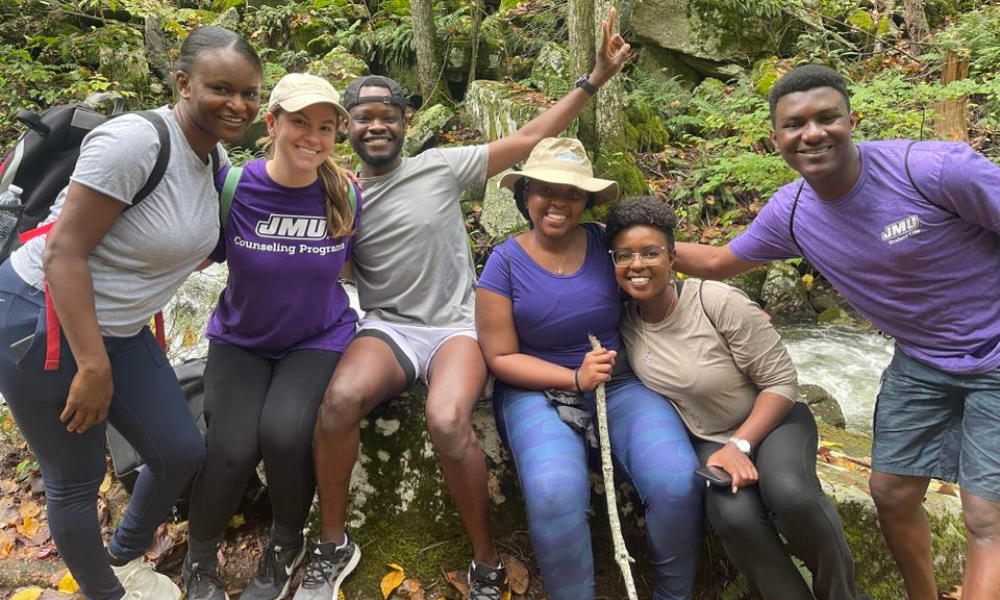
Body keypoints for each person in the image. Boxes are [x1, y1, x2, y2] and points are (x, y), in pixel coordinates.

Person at [294, 9, 631, 600]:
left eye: (388, 117)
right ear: (345, 127)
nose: (377, 127)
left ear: (405, 123)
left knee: (449, 420)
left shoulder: (441, 168)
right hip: (389, 327)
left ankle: (486, 561)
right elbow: (313, 253)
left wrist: (594, 78)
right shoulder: (339, 190)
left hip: (456, 326)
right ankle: (332, 544)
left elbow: (529, 140)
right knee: (339, 400)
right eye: (364, 118)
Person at [673, 63, 1000, 600]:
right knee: (891, 493)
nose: (813, 133)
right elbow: (716, 261)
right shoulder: (794, 213)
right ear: (775, 138)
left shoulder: (937, 170)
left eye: (827, 118)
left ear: (853, 119)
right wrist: (618, 240)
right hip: (921, 360)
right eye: (795, 124)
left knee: (986, 515)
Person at [0, 26, 262, 600]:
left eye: (250, 94)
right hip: (41, 316)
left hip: (116, 324)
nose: (239, 105)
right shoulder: (136, 143)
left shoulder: (211, 153)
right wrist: (92, 368)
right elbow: (65, 252)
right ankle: (106, 593)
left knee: (181, 451)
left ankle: (122, 556)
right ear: (183, 82)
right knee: (75, 478)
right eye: (222, 88)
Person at [475, 141, 702, 600]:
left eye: (572, 193)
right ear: (526, 197)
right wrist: (573, 379)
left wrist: (733, 310)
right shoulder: (504, 262)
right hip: (533, 389)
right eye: (545, 190)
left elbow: (672, 266)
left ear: (587, 201)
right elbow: (500, 357)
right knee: (555, 491)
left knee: (677, 480)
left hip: (616, 384)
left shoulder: (608, 244)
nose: (558, 202)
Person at [606, 195, 859, 600]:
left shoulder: (715, 301)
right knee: (733, 516)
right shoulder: (622, 320)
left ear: (673, 258)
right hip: (710, 438)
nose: (637, 265)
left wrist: (741, 444)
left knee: (790, 493)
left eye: (651, 253)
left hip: (774, 419)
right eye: (625, 256)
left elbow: (780, 382)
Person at [181, 73, 362, 600]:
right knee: (232, 448)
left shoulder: (345, 192)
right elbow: (190, 252)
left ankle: (286, 547)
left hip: (316, 338)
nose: (313, 136)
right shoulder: (234, 186)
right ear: (273, 123)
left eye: (326, 127)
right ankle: (200, 562)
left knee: (285, 435)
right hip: (242, 338)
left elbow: (353, 267)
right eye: (300, 122)